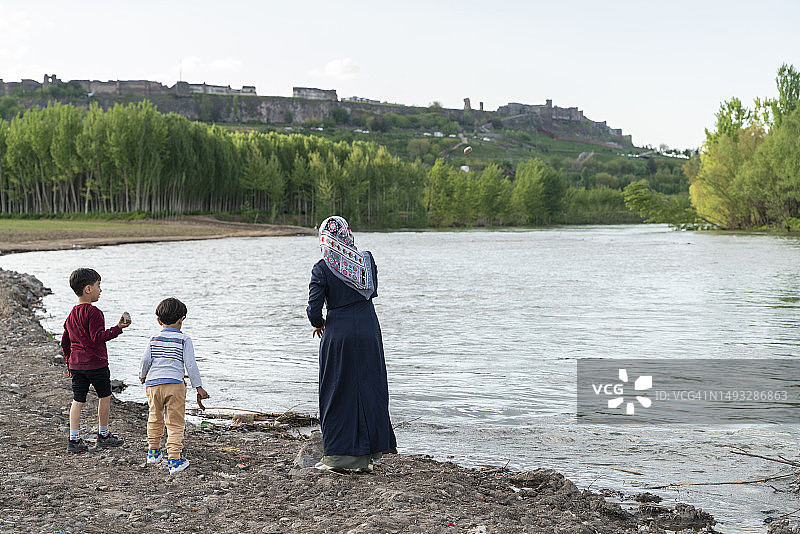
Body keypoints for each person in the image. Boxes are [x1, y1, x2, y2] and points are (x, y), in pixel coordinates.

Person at [307, 216, 397, 472]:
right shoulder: (366, 261)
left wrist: (318, 322)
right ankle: (370, 455)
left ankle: (338, 458)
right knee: (370, 388)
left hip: (339, 332)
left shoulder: (322, 267)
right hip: (368, 328)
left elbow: (314, 308)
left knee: (338, 390)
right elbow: (372, 290)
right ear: (347, 234)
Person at [61, 268, 131, 453]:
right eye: (99, 285)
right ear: (88, 289)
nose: (101, 290)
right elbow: (97, 337)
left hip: (76, 365)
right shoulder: (94, 312)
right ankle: (104, 435)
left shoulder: (71, 314)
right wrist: (117, 328)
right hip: (96, 363)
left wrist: (69, 362)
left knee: (78, 400)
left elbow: (65, 341)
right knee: (104, 397)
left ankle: (74, 439)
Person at [139, 297, 209, 475]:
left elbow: (146, 359)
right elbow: (191, 365)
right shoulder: (184, 339)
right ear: (182, 319)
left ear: (158, 321)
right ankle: (174, 460)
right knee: (175, 422)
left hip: (153, 384)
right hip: (174, 385)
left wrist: (143, 375)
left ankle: (153, 452)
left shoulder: (154, 338)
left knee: (154, 417)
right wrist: (198, 387)